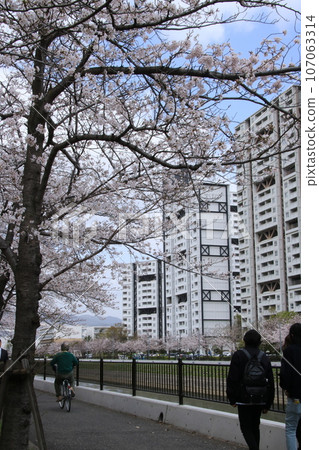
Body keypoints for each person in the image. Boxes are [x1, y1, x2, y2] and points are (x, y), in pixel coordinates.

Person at [226, 329, 275, 450]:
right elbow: (270, 381)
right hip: (260, 397)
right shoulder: (264, 357)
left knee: (246, 428)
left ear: (244, 341)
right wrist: (268, 403)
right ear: (259, 342)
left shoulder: (238, 355)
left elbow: (232, 378)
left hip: (244, 398)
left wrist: (232, 398)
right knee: (255, 426)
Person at [280, 323, 301, 450]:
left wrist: (285, 387)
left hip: (296, 395)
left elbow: (285, 374)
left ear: (292, 335)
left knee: (291, 428)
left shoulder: (289, 351)